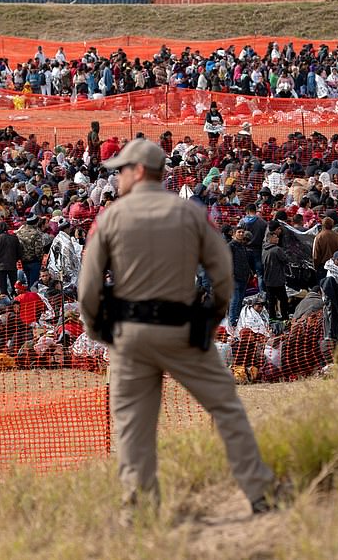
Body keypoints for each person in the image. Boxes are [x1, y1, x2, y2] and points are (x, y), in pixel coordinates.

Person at [77, 138, 279, 521]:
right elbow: (223, 272)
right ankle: (260, 492)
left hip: (129, 335)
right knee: (226, 408)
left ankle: (139, 512)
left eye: (121, 170)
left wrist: (101, 331)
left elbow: (87, 287)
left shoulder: (110, 218)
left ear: (138, 172)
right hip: (181, 329)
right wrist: (210, 319)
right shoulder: (191, 213)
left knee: (133, 426)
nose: (117, 177)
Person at [261, 230, 290, 321]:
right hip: (278, 280)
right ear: (271, 239)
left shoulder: (264, 250)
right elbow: (285, 260)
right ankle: (285, 317)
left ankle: (272, 317)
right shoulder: (277, 249)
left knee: (271, 301)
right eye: (275, 237)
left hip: (268, 279)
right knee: (283, 300)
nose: (277, 238)